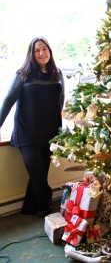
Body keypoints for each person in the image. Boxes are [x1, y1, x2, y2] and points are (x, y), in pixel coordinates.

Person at [0, 37, 65, 217]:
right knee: (34, 167)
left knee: (41, 172)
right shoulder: (23, 74)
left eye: (45, 49)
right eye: (37, 50)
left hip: (50, 133)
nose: (42, 53)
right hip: (26, 132)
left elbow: (61, 101)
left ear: (50, 51)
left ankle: (30, 208)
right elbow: (7, 101)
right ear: (31, 53)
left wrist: (60, 130)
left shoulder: (57, 74)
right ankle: (46, 203)